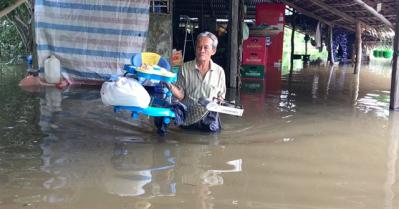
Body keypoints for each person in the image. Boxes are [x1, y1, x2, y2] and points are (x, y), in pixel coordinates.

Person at [166, 31, 226, 132]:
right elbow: (181, 96)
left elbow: (221, 98)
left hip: (210, 120)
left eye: (206, 47)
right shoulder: (184, 68)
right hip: (188, 118)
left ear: (213, 51)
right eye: (199, 47)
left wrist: (218, 102)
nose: (202, 50)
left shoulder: (219, 71)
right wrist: (169, 85)